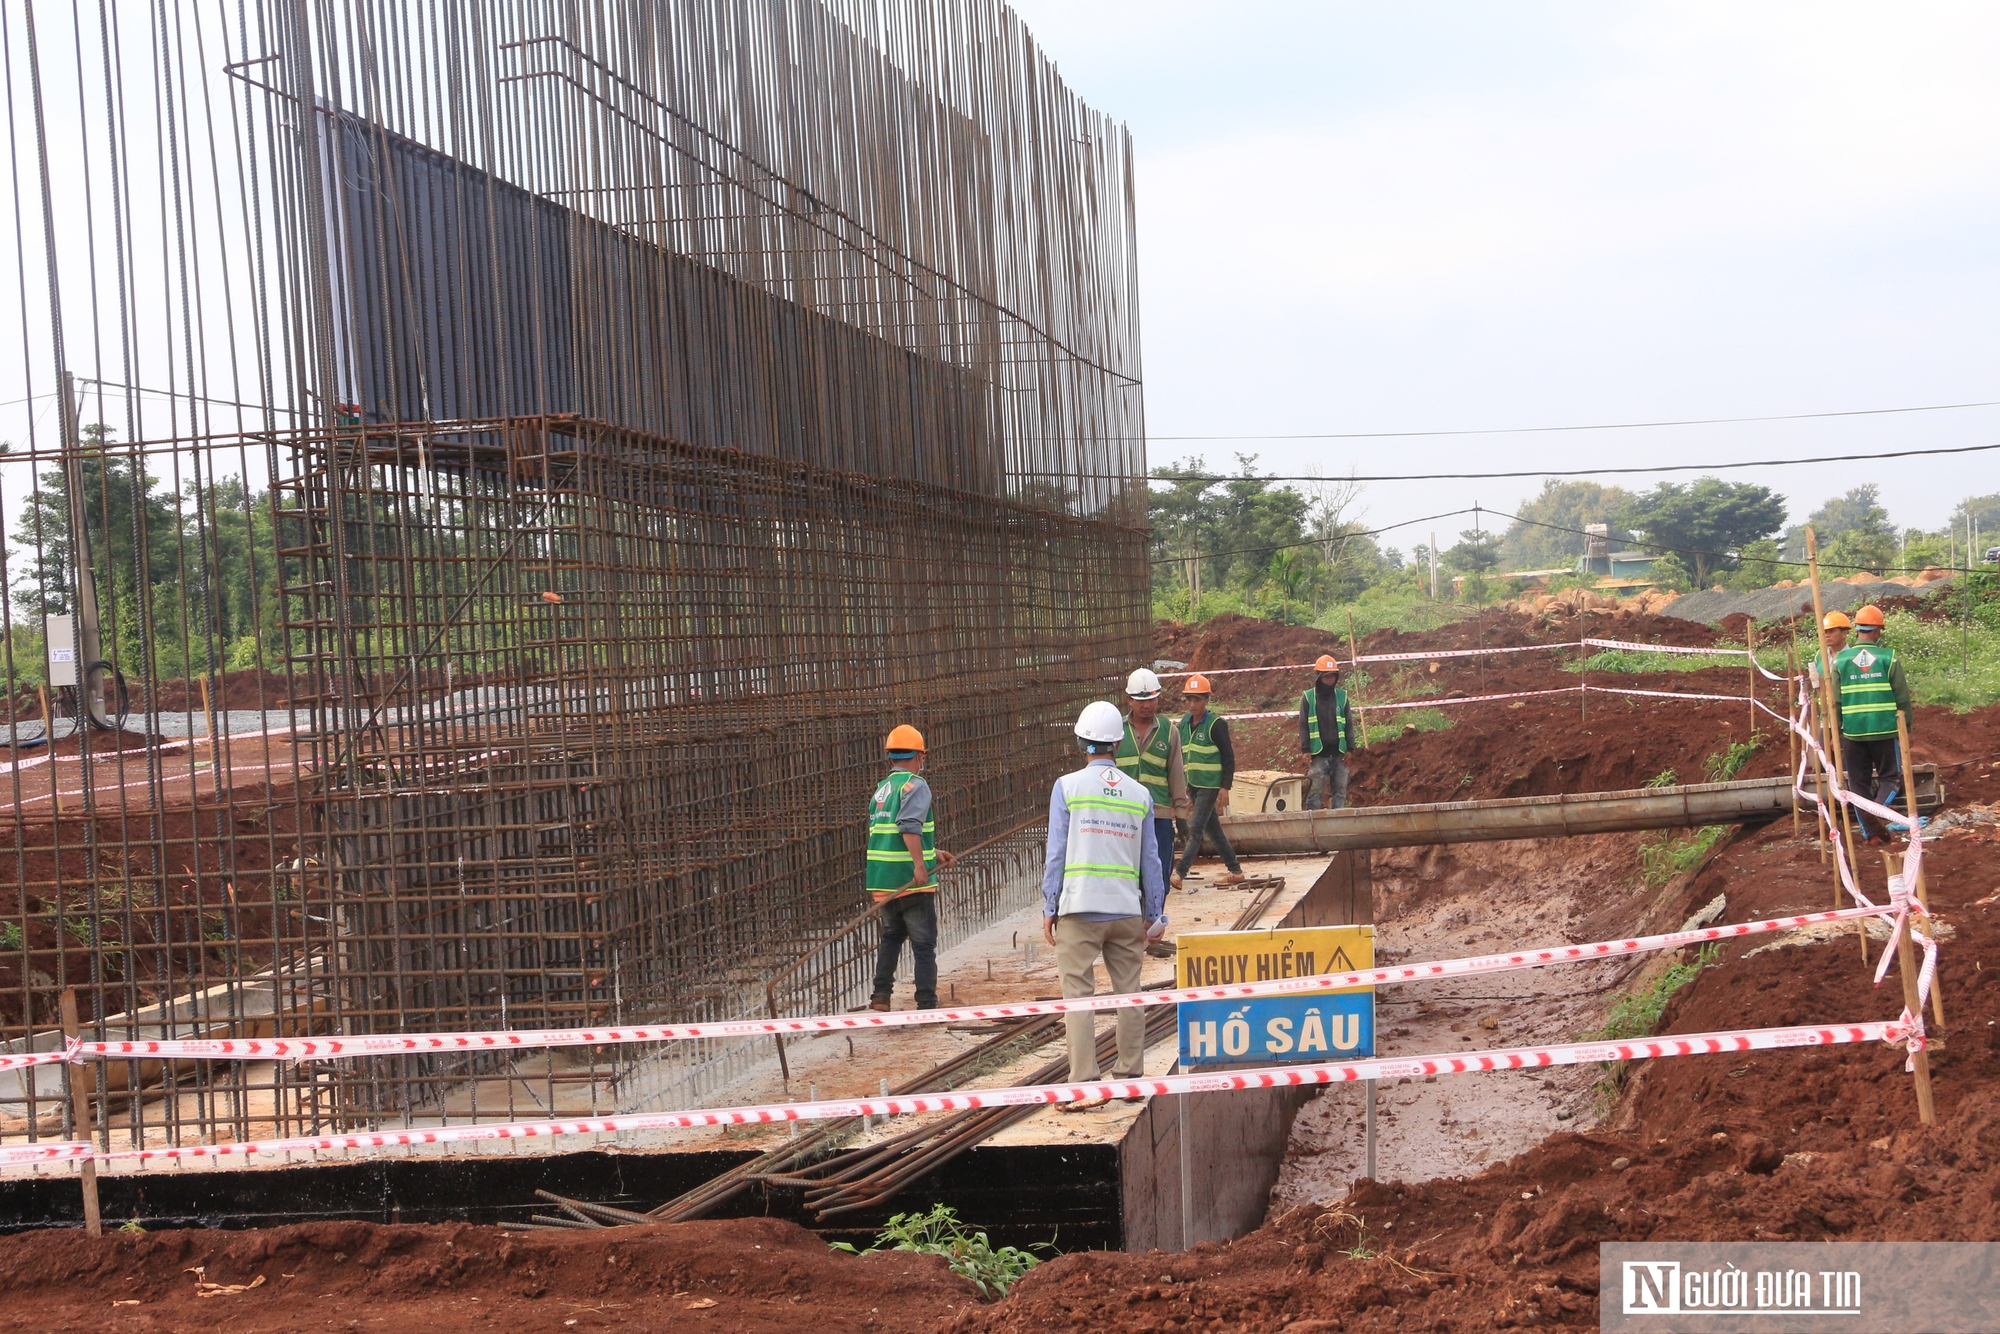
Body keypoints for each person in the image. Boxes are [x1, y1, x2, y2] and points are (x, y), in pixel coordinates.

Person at [1043, 700, 1169, 1111]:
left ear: (1082, 741)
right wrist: (1155, 912)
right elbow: (1151, 860)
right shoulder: (1140, 794)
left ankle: (1084, 1083)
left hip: (1079, 909)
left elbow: (1056, 854)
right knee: (1129, 993)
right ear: (1119, 742)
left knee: (1079, 996)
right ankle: (1131, 1076)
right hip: (1126, 911)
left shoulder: (1067, 787)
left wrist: (1050, 905)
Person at [866, 724, 958, 1012]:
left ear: (890, 757)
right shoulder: (915, 785)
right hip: (910, 879)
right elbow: (908, 828)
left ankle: (881, 995)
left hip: (883, 880)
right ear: (920, 756)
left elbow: (888, 831)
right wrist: (920, 865)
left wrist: (934, 853)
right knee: (923, 944)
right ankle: (927, 1002)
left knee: (892, 936)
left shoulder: (883, 789)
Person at [1833, 605, 1914, 841]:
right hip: (1885, 729)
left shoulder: (1840, 661)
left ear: (1857, 629)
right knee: (1891, 778)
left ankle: (1872, 834)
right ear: (1877, 631)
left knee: (1858, 786)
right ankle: (1878, 810)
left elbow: (1836, 702)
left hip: (1853, 733)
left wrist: (1837, 732)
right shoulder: (1889, 658)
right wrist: (1907, 728)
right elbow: (1902, 696)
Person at [1115, 667, 1191, 886]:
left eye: (1151, 699)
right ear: (1129, 699)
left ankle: (1155, 917)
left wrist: (1181, 814)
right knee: (1128, 876)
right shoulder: (1117, 731)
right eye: (1140, 700)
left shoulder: (1169, 731)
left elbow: (1176, 774)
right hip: (1124, 816)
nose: (1146, 705)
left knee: (1159, 877)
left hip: (1159, 816)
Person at [1171, 673, 1245, 890]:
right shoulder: (1184, 723)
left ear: (1206, 700)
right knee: (1214, 830)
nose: (1192, 704)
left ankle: (1180, 872)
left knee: (1194, 829)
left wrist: (1225, 786)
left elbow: (1228, 757)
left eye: (1197, 700)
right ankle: (1236, 870)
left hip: (1210, 785)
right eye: (1189, 699)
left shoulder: (1216, 725)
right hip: (1194, 784)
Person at [1299, 654, 1355, 810]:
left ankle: (1338, 824)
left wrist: (1350, 748)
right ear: (1318, 676)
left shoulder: (1342, 697)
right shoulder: (1308, 698)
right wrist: (1305, 750)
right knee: (1315, 792)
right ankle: (1313, 827)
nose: (1330, 680)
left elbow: (1349, 723)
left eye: (1332, 676)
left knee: (1340, 791)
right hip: (1318, 754)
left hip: (1339, 753)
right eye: (1326, 677)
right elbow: (1303, 725)